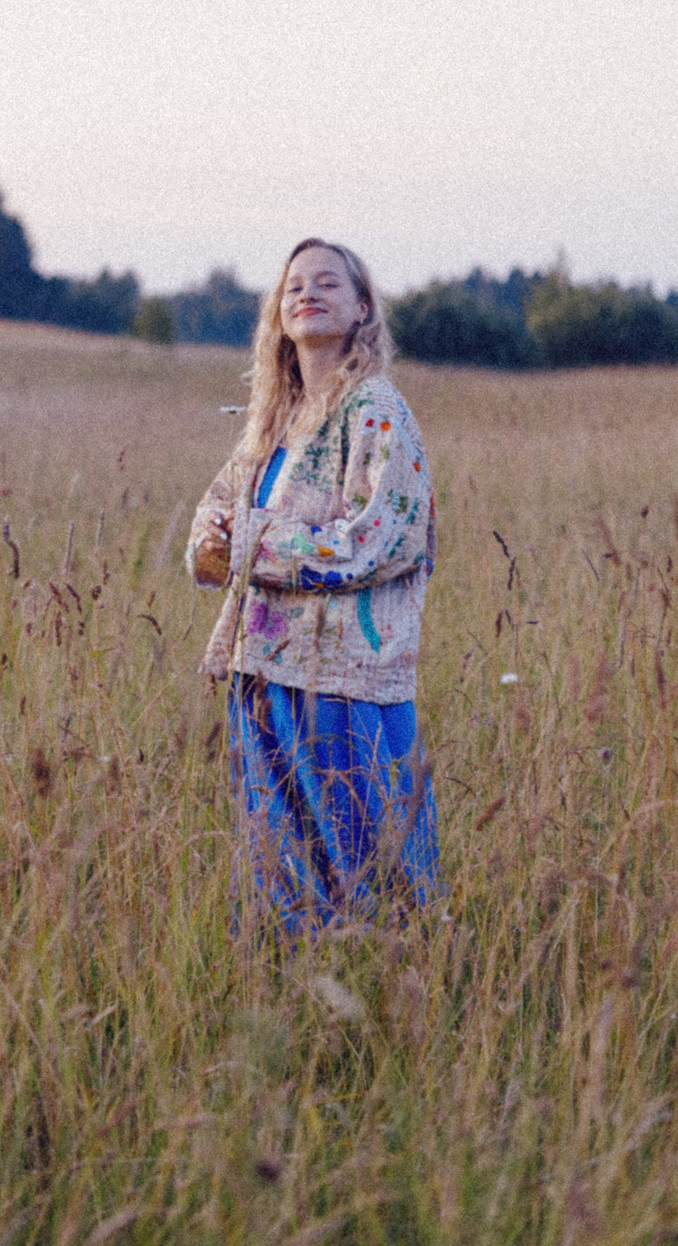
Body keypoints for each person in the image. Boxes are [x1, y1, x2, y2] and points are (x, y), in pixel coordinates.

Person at [186, 238, 440, 932]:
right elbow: (213, 521)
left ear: (362, 308)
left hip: (347, 682)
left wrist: (250, 540)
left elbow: (378, 538)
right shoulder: (276, 418)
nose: (307, 292)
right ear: (278, 311)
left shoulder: (375, 408)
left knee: (371, 862)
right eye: (294, 285)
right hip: (264, 673)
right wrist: (217, 541)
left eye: (328, 282)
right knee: (278, 861)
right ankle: (291, 995)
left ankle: (390, 991)